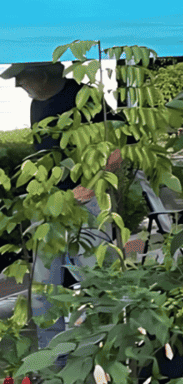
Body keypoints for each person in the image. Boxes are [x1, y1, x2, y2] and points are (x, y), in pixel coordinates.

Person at [0, 61, 119, 347]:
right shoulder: (36, 106)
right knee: (43, 286)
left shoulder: (85, 98)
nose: (17, 86)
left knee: (95, 279)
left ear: (42, 75)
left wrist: (92, 187)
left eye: (22, 78)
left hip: (87, 205)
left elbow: (117, 147)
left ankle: (98, 352)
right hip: (48, 207)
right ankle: (51, 356)